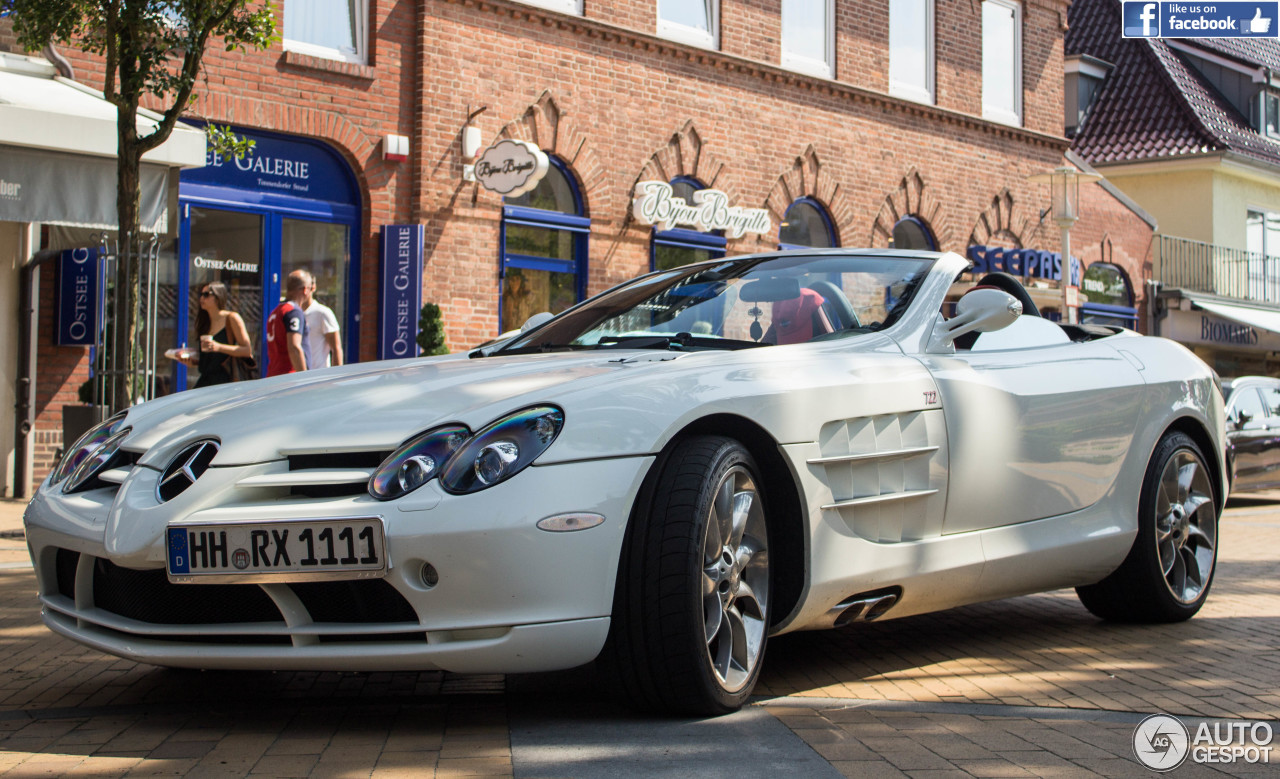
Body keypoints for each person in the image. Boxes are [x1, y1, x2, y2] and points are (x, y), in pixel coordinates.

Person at [173, 282, 253, 387]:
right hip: (206, 381)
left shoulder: (231, 318)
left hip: (226, 382)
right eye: (200, 295)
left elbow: (247, 350)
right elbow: (210, 358)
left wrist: (218, 347)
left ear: (218, 297)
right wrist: (192, 360)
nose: (202, 298)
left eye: (206, 294)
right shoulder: (205, 322)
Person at [291, 269, 343, 369]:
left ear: (313, 288)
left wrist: (336, 378)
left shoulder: (323, 313)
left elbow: (336, 348)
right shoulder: (292, 313)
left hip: (318, 377)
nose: (302, 292)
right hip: (297, 377)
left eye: (305, 288)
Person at [266, 273, 310, 376]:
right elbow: (294, 347)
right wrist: (304, 378)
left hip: (274, 374)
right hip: (289, 378)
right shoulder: (293, 311)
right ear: (305, 290)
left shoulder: (276, 311)